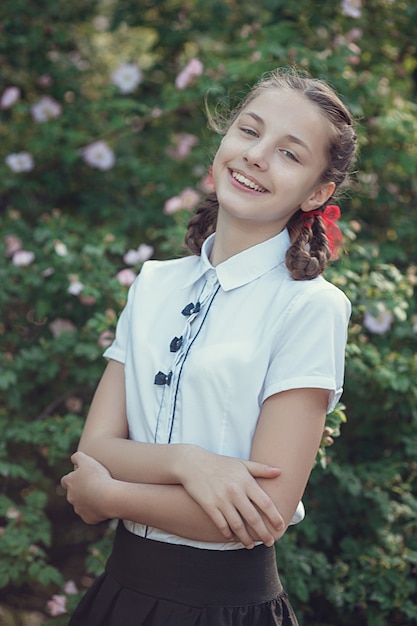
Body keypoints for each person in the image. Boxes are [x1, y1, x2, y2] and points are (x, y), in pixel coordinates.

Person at [61, 67, 357, 626]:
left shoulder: (311, 308)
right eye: (249, 131)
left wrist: (113, 498)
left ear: (319, 192)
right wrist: (191, 464)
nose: (256, 156)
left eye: (289, 154)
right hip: (118, 599)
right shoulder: (153, 283)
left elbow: (262, 514)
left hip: (225, 608)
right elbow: (97, 448)